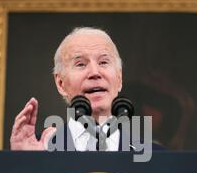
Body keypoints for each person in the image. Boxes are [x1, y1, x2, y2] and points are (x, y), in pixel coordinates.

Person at [10, 27, 162, 152]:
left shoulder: (156, 157)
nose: (95, 73)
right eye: (81, 64)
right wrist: (26, 164)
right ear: (61, 83)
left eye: (103, 62)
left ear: (119, 79)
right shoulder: (36, 150)